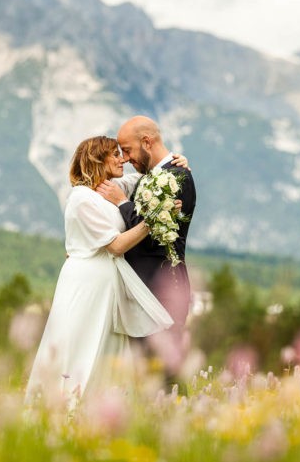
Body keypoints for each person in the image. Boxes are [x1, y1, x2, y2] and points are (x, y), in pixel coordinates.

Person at [25, 136, 187, 408]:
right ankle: (63, 406)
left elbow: (146, 179)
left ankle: (103, 408)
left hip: (107, 285)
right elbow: (115, 246)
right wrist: (156, 217)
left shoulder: (107, 188)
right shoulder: (81, 199)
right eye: (115, 154)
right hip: (88, 283)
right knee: (81, 340)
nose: (122, 159)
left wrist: (176, 164)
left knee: (106, 346)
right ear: (97, 159)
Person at [98, 116, 196, 368]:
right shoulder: (147, 178)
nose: (126, 158)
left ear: (147, 142)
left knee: (165, 372)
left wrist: (121, 202)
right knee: (143, 374)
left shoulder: (178, 177)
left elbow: (152, 233)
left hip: (164, 288)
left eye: (128, 150)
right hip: (141, 290)